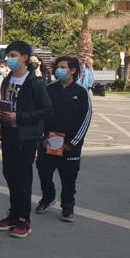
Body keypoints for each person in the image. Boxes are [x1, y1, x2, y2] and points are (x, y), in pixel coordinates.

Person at [0, 41, 53, 239]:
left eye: (13, 55)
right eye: (8, 55)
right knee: (9, 174)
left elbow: (46, 110)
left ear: (25, 57)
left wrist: (18, 117)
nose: (9, 59)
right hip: (9, 134)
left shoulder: (34, 83)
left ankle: (23, 220)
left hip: (26, 137)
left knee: (22, 177)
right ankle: (13, 214)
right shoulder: (8, 79)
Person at [36, 57, 92, 222]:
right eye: (57, 67)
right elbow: (40, 115)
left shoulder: (81, 92)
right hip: (49, 141)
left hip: (70, 146)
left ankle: (67, 207)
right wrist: (42, 137)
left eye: (62, 67)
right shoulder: (48, 89)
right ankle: (48, 197)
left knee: (68, 178)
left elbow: (86, 118)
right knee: (44, 171)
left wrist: (72, 143)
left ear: (73, 70)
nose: (58, 70)